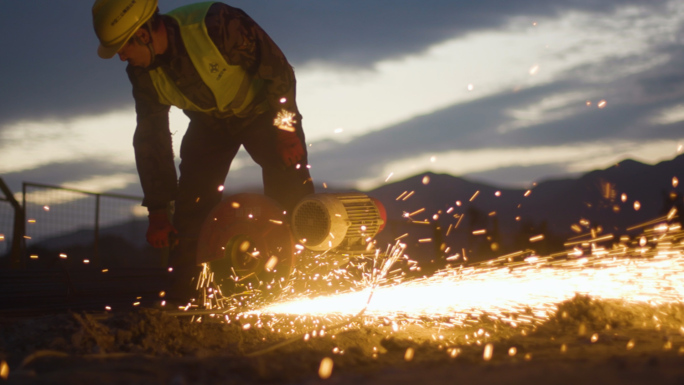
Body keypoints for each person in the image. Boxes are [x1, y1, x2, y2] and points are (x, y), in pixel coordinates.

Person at [92, 0, 314, 303]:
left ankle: (308, 280)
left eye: (123, 47)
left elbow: (279, 75)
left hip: (263, 111)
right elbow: (151, 137)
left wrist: (286, 131)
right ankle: (190, 295)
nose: (121, 57)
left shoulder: (217, 25)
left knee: (291, 183)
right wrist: (158, 210)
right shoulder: (142, 72)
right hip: (210, 123)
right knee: (192, 205)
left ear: (143, 34)